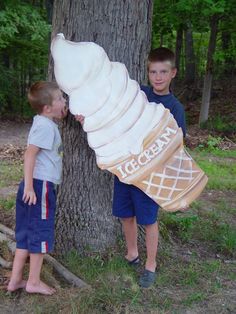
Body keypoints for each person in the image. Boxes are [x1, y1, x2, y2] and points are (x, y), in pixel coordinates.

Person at [112, 47, 186, 288]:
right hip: (125, 167)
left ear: (173, 73)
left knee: (148, 218)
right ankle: (132, 253)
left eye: (163, 71)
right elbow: (114, 108)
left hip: (150, 174)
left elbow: (177, 141)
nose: (158, 77)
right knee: (125, 214)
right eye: (153, 71)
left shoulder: (174, 107)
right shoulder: (139, 94)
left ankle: (150, 264)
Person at [7, 81, 67, 295]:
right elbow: (30, 154)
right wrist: (31, 187)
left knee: (24, 233)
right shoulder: (45, 127)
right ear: (48, 108)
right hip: (39, 187)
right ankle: (33, 281)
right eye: (60, 98)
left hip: (33, 185)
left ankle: (15, 280)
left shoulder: (43, 122)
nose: (64, 101)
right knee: (41, 232)